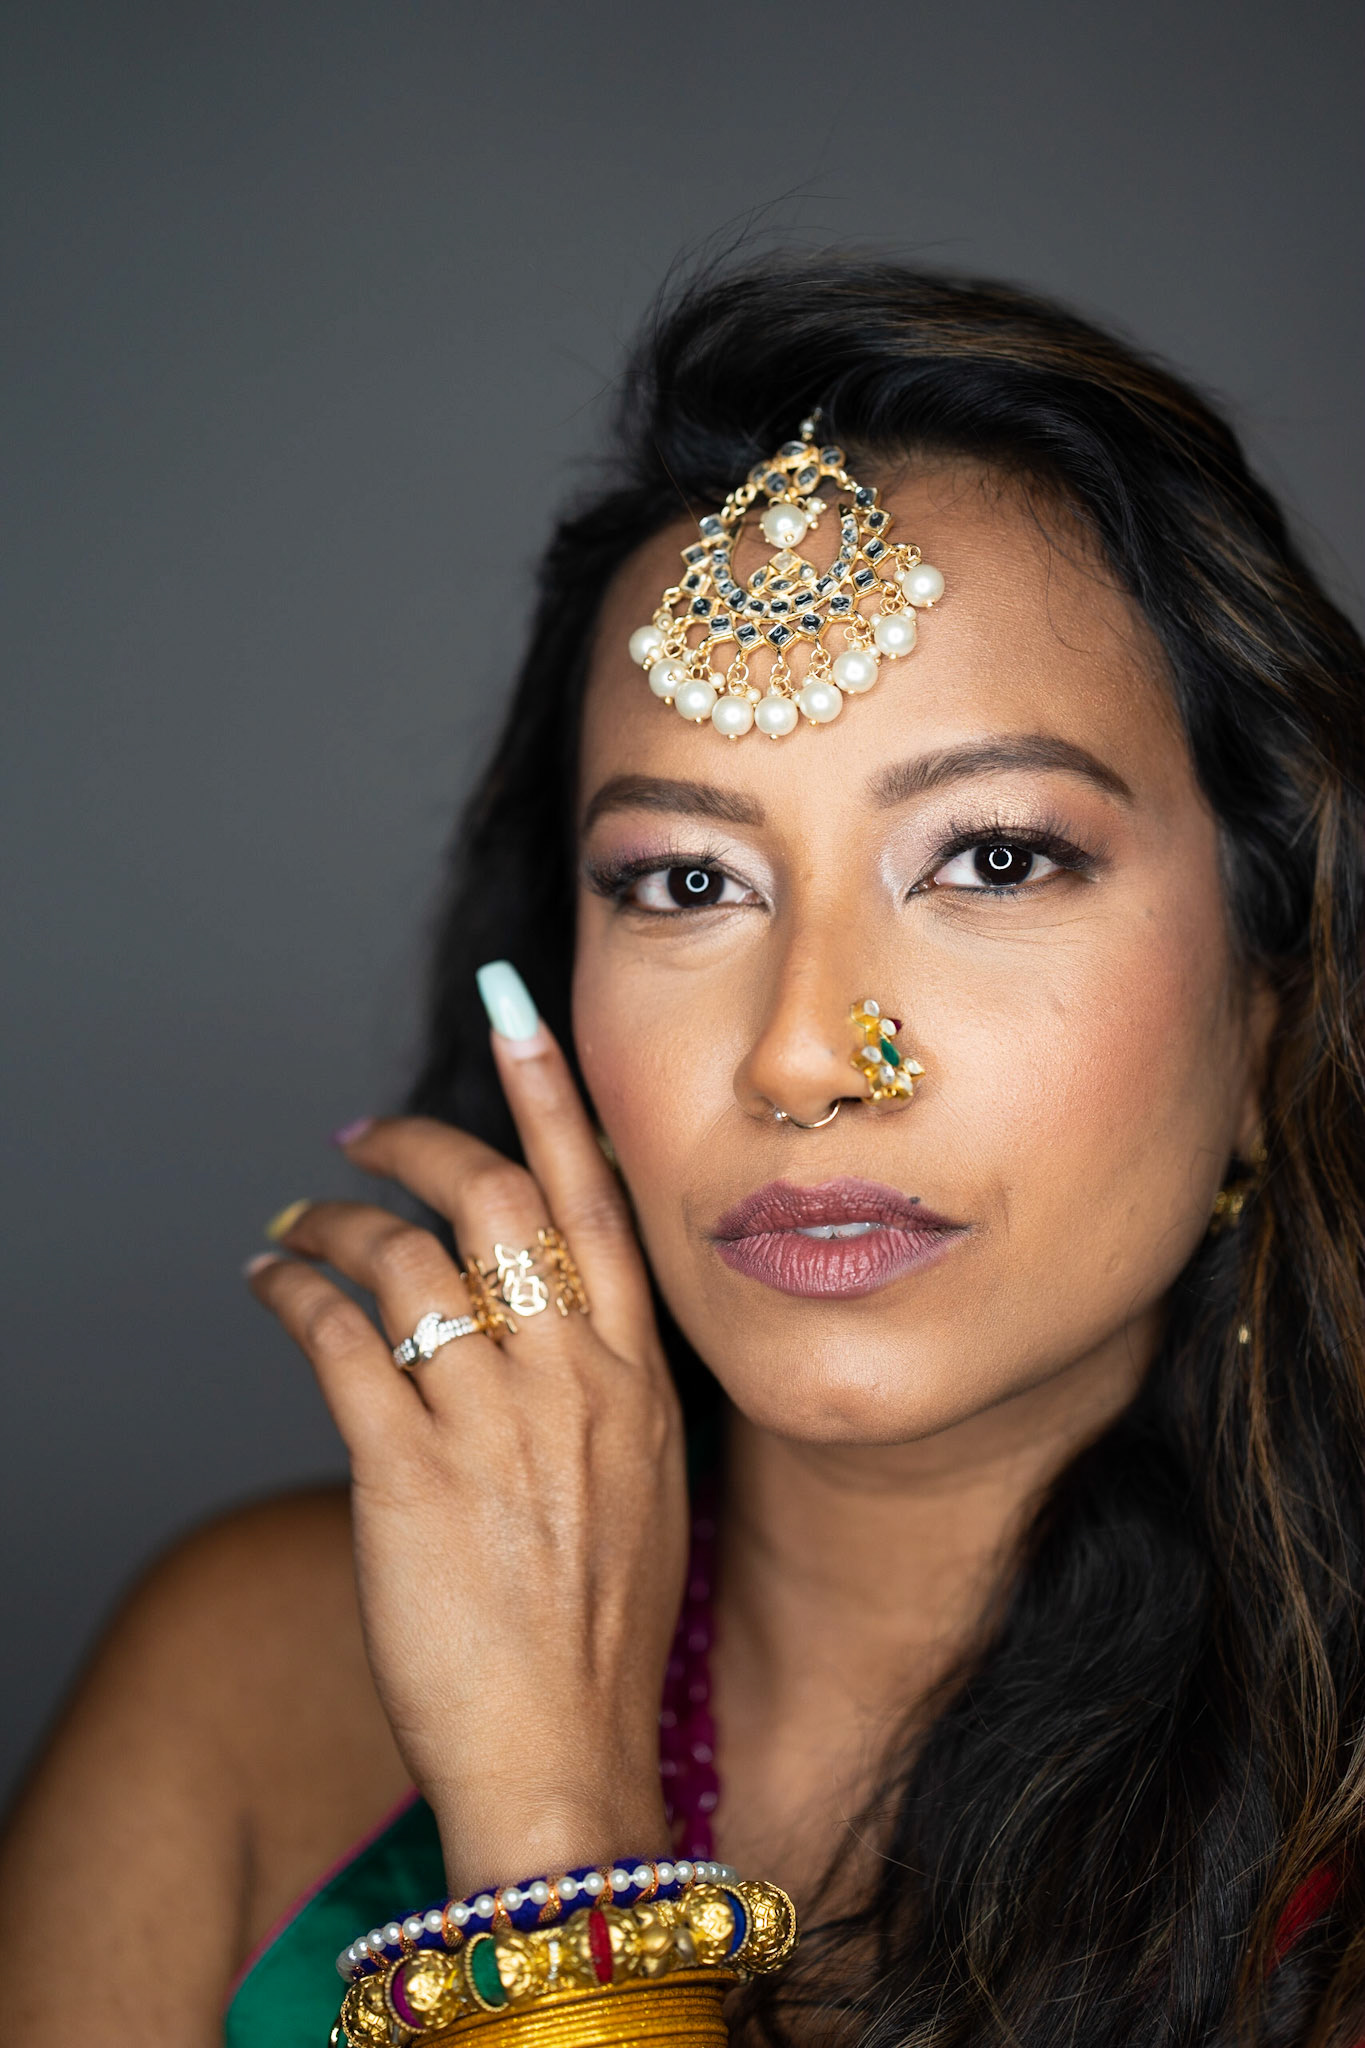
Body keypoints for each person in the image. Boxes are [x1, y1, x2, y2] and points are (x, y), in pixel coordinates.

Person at [2, 257, 1363, 2047]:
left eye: (991, 860)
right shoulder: (250, 1677)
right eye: (684, 882)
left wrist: (552, 1837)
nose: (798, 1056)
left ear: (1271, 1004)